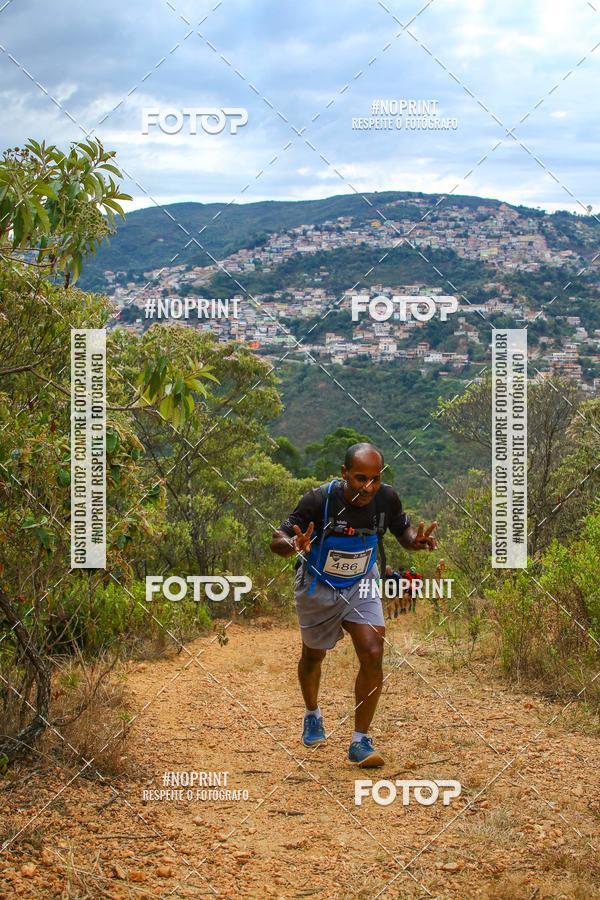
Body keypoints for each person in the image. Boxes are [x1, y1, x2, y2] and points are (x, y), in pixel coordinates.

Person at [270, 442, 437, 768]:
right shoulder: (318, 500)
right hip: (318, 586)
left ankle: (360, 741)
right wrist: (293, 544)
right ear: (345, 473)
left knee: (374, 650)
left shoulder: (386, 498)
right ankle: (312, 714)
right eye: (360, 478)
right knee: (313, 655)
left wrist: (414, 542)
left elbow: (402, 531)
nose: (368, 487)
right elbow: (277, 538)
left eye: (375, 479)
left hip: (362, 583)